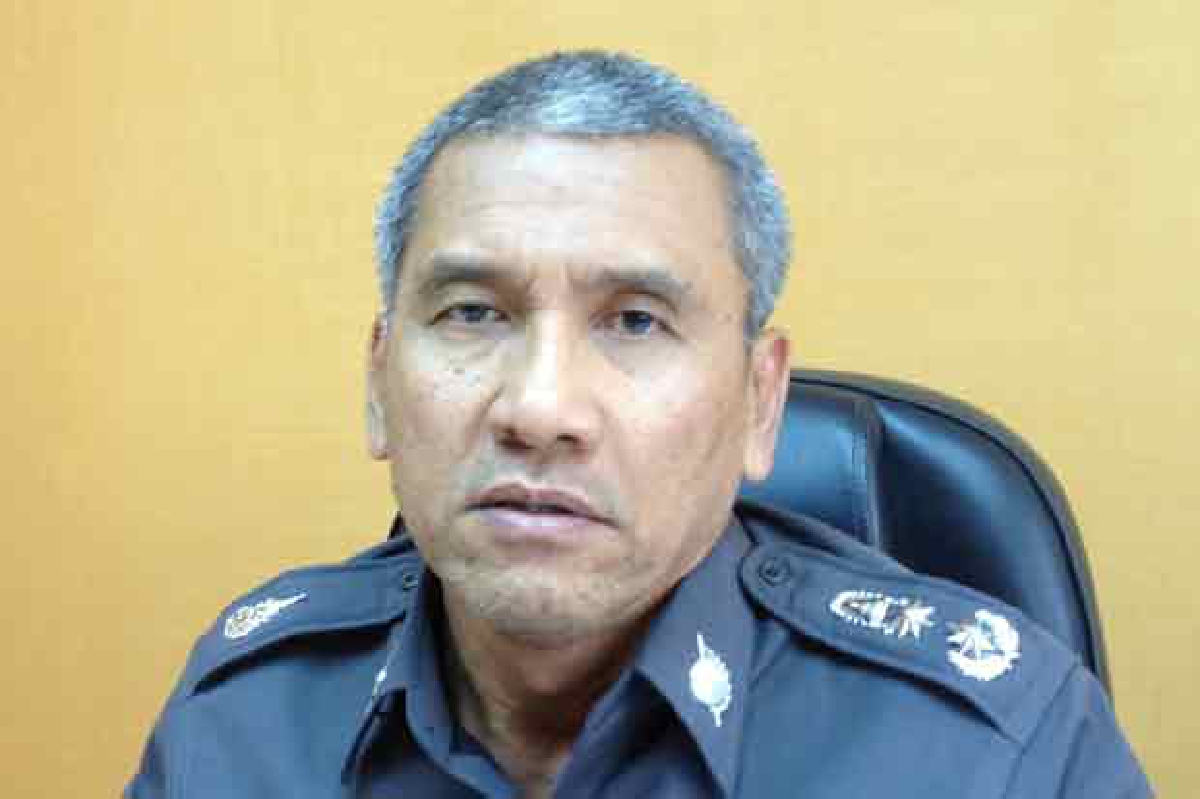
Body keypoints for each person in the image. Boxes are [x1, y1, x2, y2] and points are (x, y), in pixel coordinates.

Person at [126, 51, 1152, 798]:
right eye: (473, 312)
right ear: (378, 381)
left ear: (759, 402)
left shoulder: (995, 751)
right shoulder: (242, 719)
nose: (539, 409)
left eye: (634, 321)